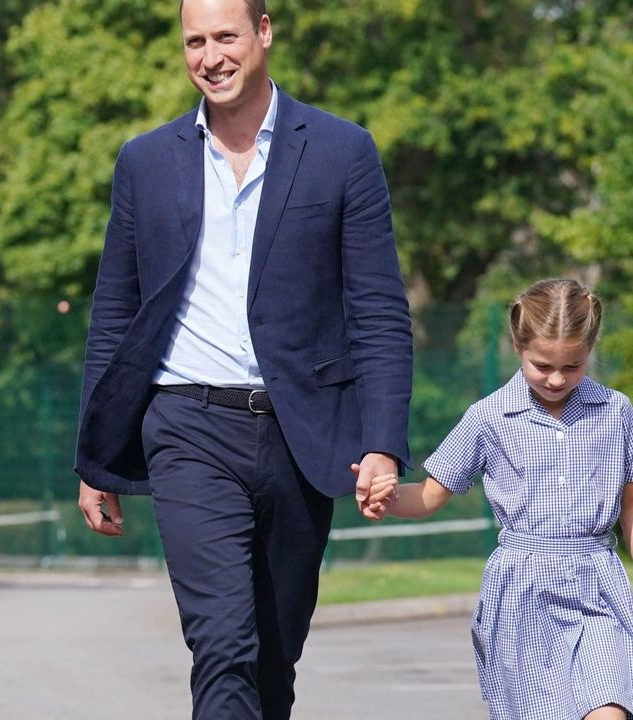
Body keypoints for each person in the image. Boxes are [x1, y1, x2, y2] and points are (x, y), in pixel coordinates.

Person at [74, 0, 413, 718]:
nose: (210, 56)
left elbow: (378, 311)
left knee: (271, 653)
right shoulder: (146, 160)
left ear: (264, 32)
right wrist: (94, 457)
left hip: (302, 432)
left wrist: (382, 442)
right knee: (223, 644)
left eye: (225, 36)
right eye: (194, 41)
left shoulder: (341, 151)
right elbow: (114, 314)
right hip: (186, 425)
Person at [361, 279, 633, 720]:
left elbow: (629, 511)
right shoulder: (488, 418)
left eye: (574, 365)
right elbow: (430, 496)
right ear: (516, 345)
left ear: (590, 349)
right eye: (542, 365)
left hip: (597, 585)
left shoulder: (617, 412)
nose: (558, 378)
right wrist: (387, 498)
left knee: (609, 710)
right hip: (522, 593)